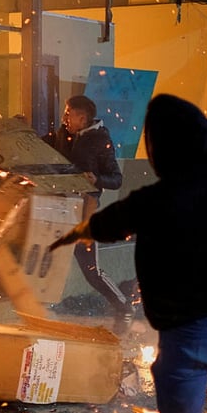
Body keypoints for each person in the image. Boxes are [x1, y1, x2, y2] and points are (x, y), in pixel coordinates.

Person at [49, 94, 207, 413]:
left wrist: (69, 235)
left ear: (158, 152)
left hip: (185, 328)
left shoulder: (151, 201)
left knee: (181, 401)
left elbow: (103, 225)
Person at [45, 95, 132, 333]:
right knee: (46, 257)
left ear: (82, 119)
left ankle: (123, 306)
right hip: (59, 207)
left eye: (69, 114)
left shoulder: (100, 140)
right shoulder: (63, 134)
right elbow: (41, 144)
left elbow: (116, 179)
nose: (64, 118)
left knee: (91, 270)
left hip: (84, 211)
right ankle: (42, 309)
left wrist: (97, 179)